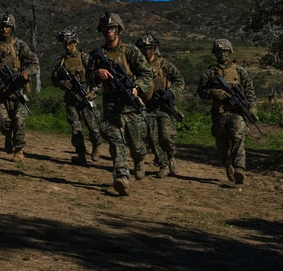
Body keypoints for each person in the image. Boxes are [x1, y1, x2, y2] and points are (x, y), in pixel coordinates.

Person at [86, 12, 153, 196]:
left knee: (136, 143)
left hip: (131, 104)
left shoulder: (130, 51)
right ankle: (122, 176)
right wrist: (97, 73)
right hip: (111, 105)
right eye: (106, 29)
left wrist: (137, 87)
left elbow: (147, 74)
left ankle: (139, 160)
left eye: (113, 28)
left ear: (119, 30)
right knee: (116, 142)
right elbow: (89, 78)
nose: (109, 32)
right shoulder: (97, 54)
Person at [197, 39, 257, 185]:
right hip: (220, 113)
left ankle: (240, 168)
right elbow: (201, 91)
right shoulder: (210, 72)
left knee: (238, 138)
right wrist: (213, 92)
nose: (222, 54)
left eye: (224, 52)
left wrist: (252, 108)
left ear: (229, 52)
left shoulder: (240, 71)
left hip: (237, 112)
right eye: (218, 52)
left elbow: (249, 91)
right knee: (222, 144)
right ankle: (228, 165)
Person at [0, 12, 39, 161]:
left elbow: (34, 63)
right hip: (0, 90)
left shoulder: (20, 45)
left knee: (19, 120)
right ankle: (8, 135)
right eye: (1, 26)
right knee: (1, 121)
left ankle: (19, 150)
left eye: (7, 26)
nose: (4, 29)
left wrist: (27, 72)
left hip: (18, 88)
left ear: (12, 28)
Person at [49, 27, 102, 165]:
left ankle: (96, 145)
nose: (67, 47)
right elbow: (53, 79)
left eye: (70, 44)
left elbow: (97, 78)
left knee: (93, 128)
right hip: (71, 99)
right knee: (75, 128)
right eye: (65, 44)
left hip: (86, 98)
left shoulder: (85, 58)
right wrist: (61, 83)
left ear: (75, 43)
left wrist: (93, 92)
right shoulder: (60, 62)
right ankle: (81, 154)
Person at [136, 34, 185, 178]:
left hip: (164, 106)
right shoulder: (138, 66)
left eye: (150, 47)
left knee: (166, 136)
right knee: (152, 137)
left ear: (154, 48)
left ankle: (171, 157)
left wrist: (171, 92)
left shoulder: (164, 64)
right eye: (144, 48)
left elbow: (179, 80)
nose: (147, 51)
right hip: (148, 106)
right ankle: (163, 164)